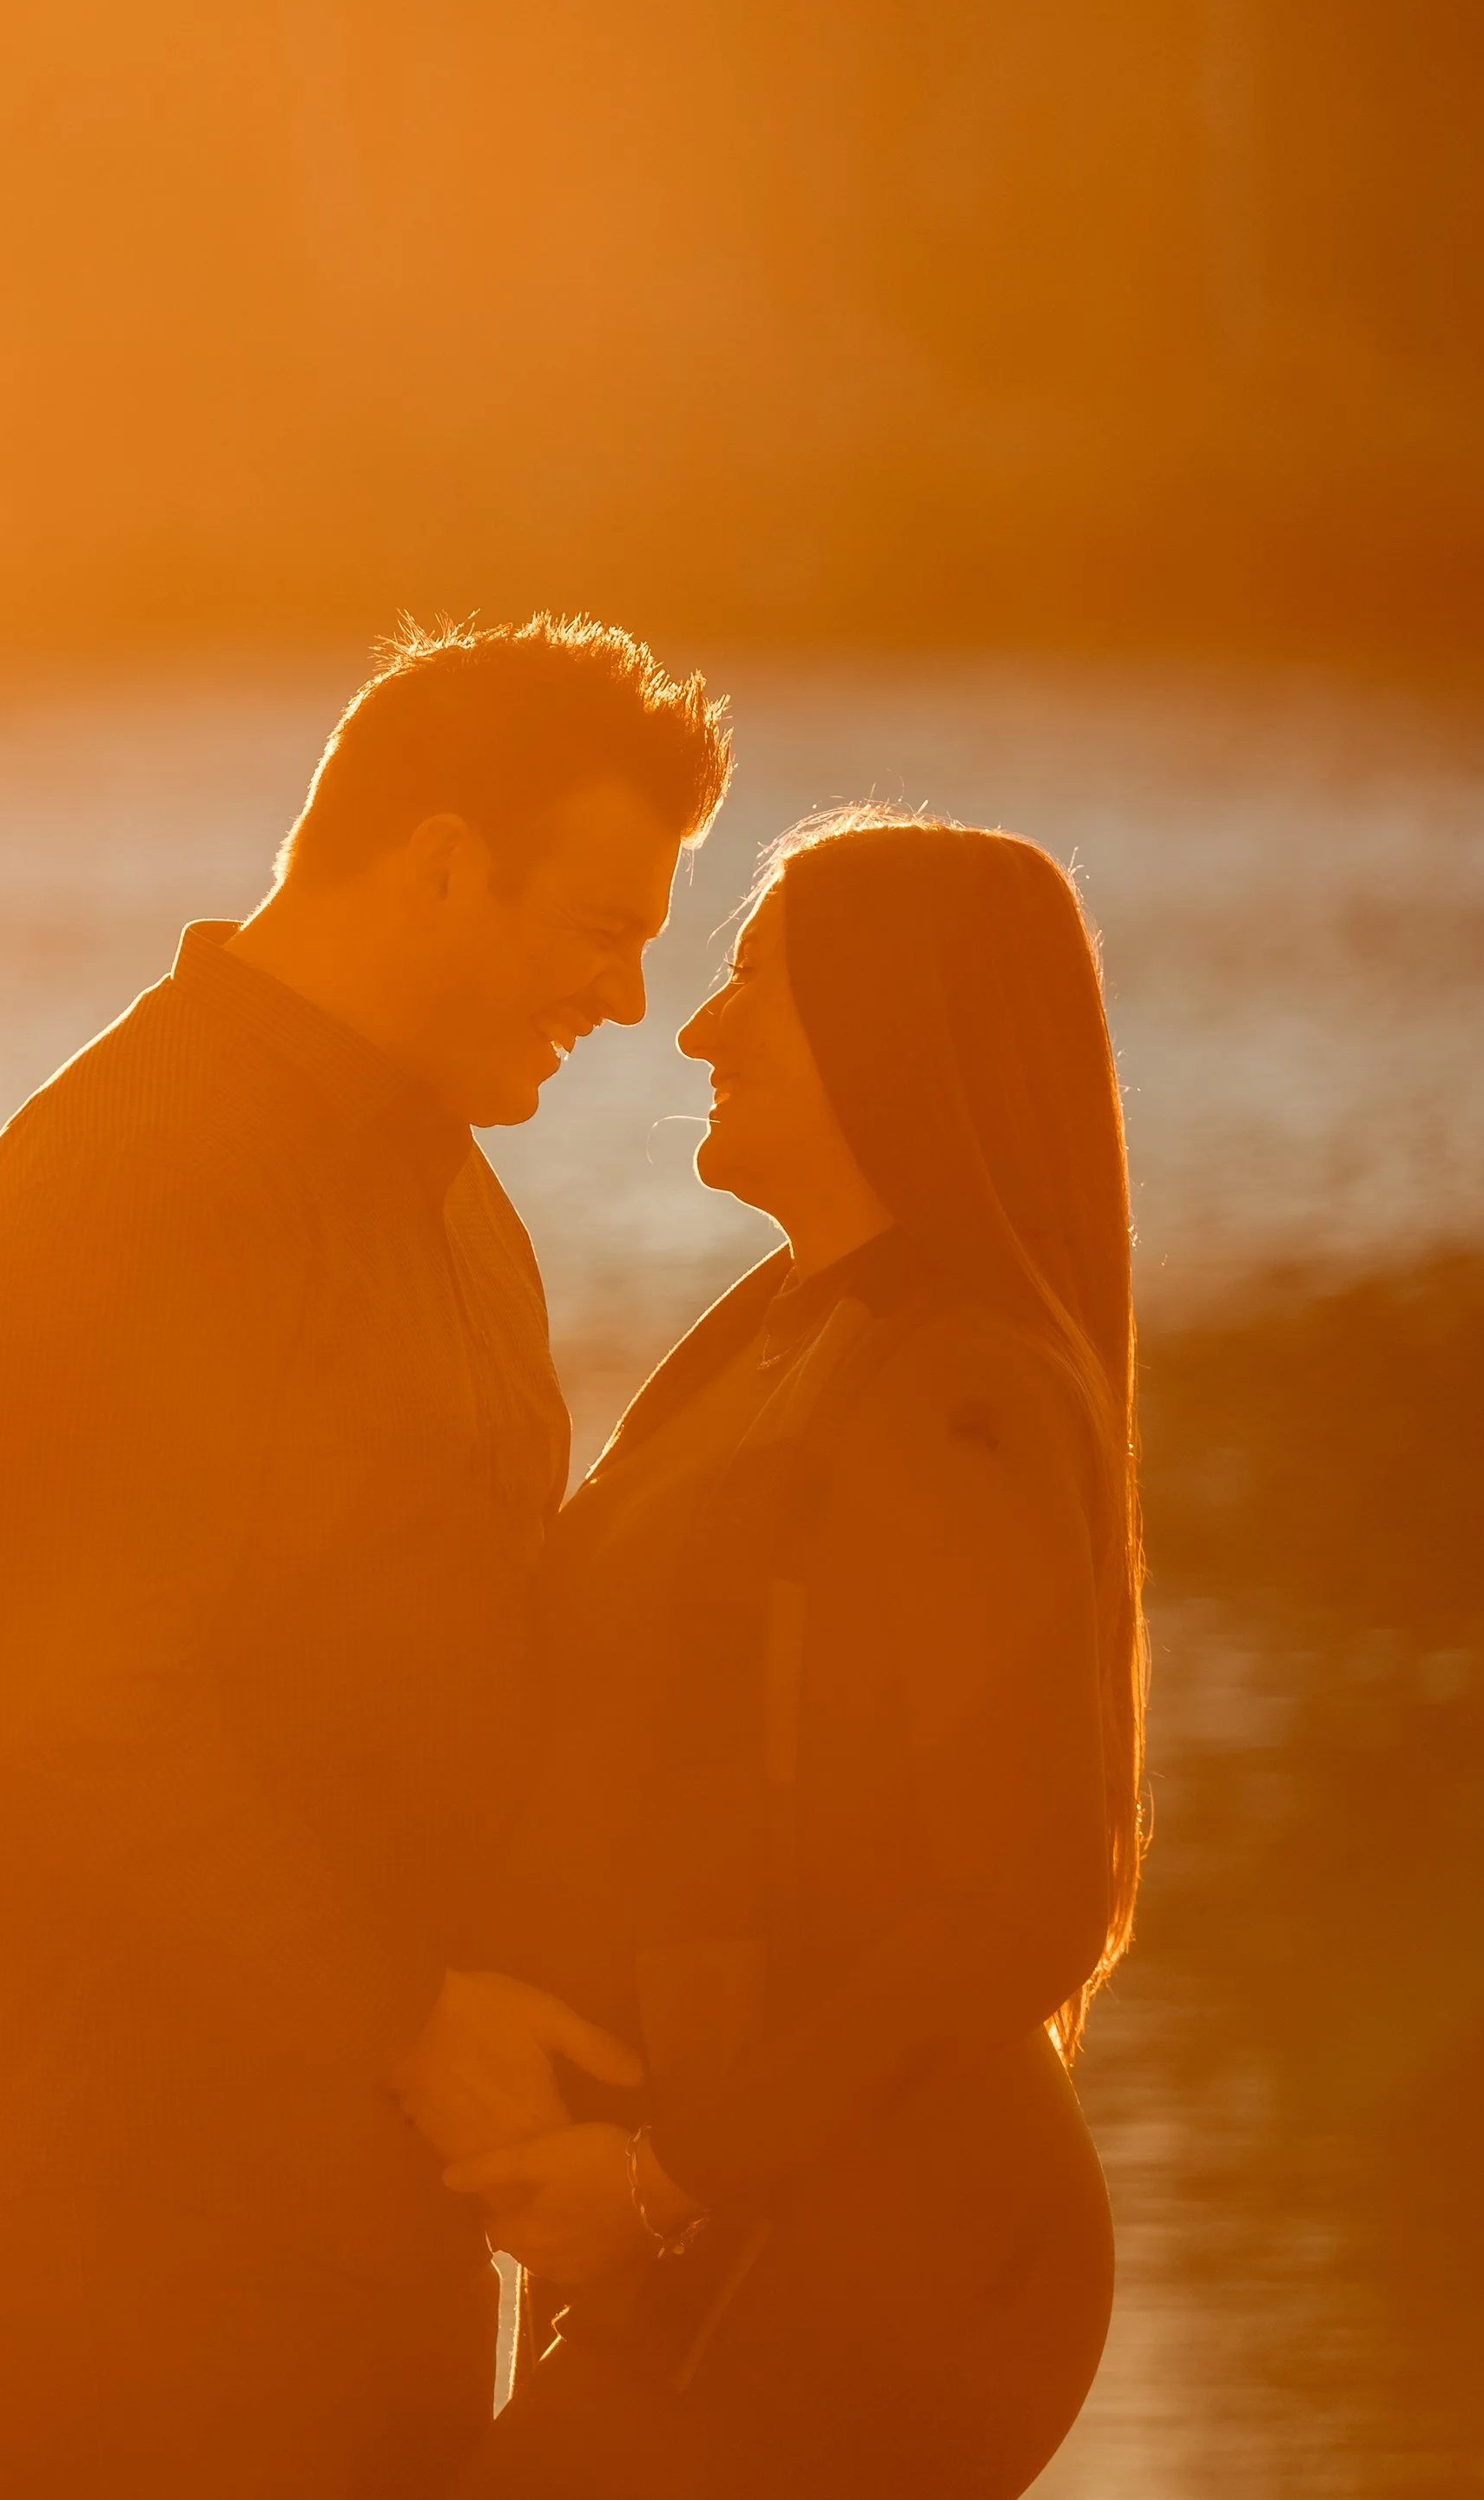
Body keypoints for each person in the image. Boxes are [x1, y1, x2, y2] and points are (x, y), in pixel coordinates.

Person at [0, 616, 731, 2497]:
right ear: (435, 864)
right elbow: (73, 1725)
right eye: (600, 927)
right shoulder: (135, 1184)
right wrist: (413, 2024)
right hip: (133, 2227)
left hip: (344, 2197)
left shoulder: (438, 1195)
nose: (633, 1002)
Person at [446, 807, 1146, 2498]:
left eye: (752, 977)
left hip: (884, 2247)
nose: (695, 1026)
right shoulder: (782, 1330)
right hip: (733, 2230)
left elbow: (1030, 1889)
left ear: (888, 1027)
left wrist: (669, 2176)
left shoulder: (954, 1383)